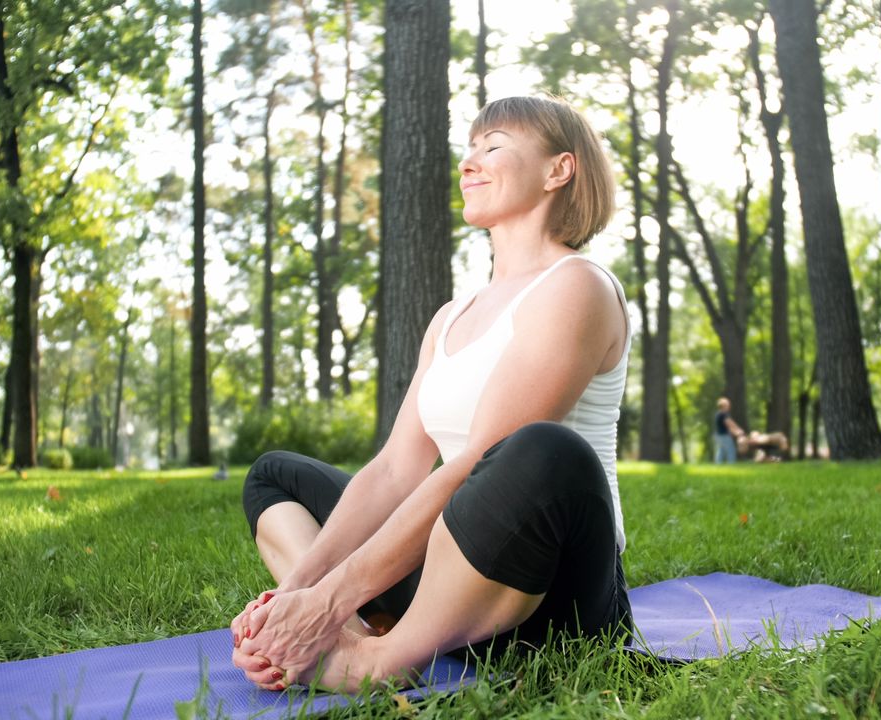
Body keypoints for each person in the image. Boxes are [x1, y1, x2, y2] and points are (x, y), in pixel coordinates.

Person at [230, 96, 633, 693]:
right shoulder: (452, 316)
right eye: (468, 150)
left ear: (558, 170)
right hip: (454, 574)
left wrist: (333, 596)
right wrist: (298, 596)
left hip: (550, 597)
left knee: (539, 450)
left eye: (493, 146)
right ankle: (360, 633)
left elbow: (477, 462)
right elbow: (395, 471)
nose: (469, 163)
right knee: (274, 476)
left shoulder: (578, 287)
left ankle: (377, 660)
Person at [713, 397, 743, 464]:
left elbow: (729, 424)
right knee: (731, 450)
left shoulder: (718, 414)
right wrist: (738, 431)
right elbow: (729, 424)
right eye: (727, 405)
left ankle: (718, 465)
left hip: (718, 435)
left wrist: (735, 431)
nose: (729, 406)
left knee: (721, 450)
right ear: (723, 406)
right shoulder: (723, 414)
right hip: (723, 436)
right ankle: (731, 464)